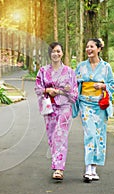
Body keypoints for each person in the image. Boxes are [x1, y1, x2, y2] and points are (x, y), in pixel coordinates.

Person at [73, 38, 114, 182]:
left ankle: (94, 168)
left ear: (99, 49)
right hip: (86, 103)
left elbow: (112, 85)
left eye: (92, 47)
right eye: (87, 47)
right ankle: (88, 168)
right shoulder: (80, 66)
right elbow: (74, 84)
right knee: (90, 133)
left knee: (99, 135)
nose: (88, 49)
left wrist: (103, 86)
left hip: (100, 106)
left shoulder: (106, 67)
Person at [35, 42, 78, 180]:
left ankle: (59, 168)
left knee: (61, 135)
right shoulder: (42, 71)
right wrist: (47, 90)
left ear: (62, 53)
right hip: (49, 107)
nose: (56, 54)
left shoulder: (70, 72)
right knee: (52, 136)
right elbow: (37, 88)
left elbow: (74, 92)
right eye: (53, 51)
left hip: (64, 106)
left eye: (58, 51)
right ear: (50, 54)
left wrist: (60, 91)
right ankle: (56, 163)